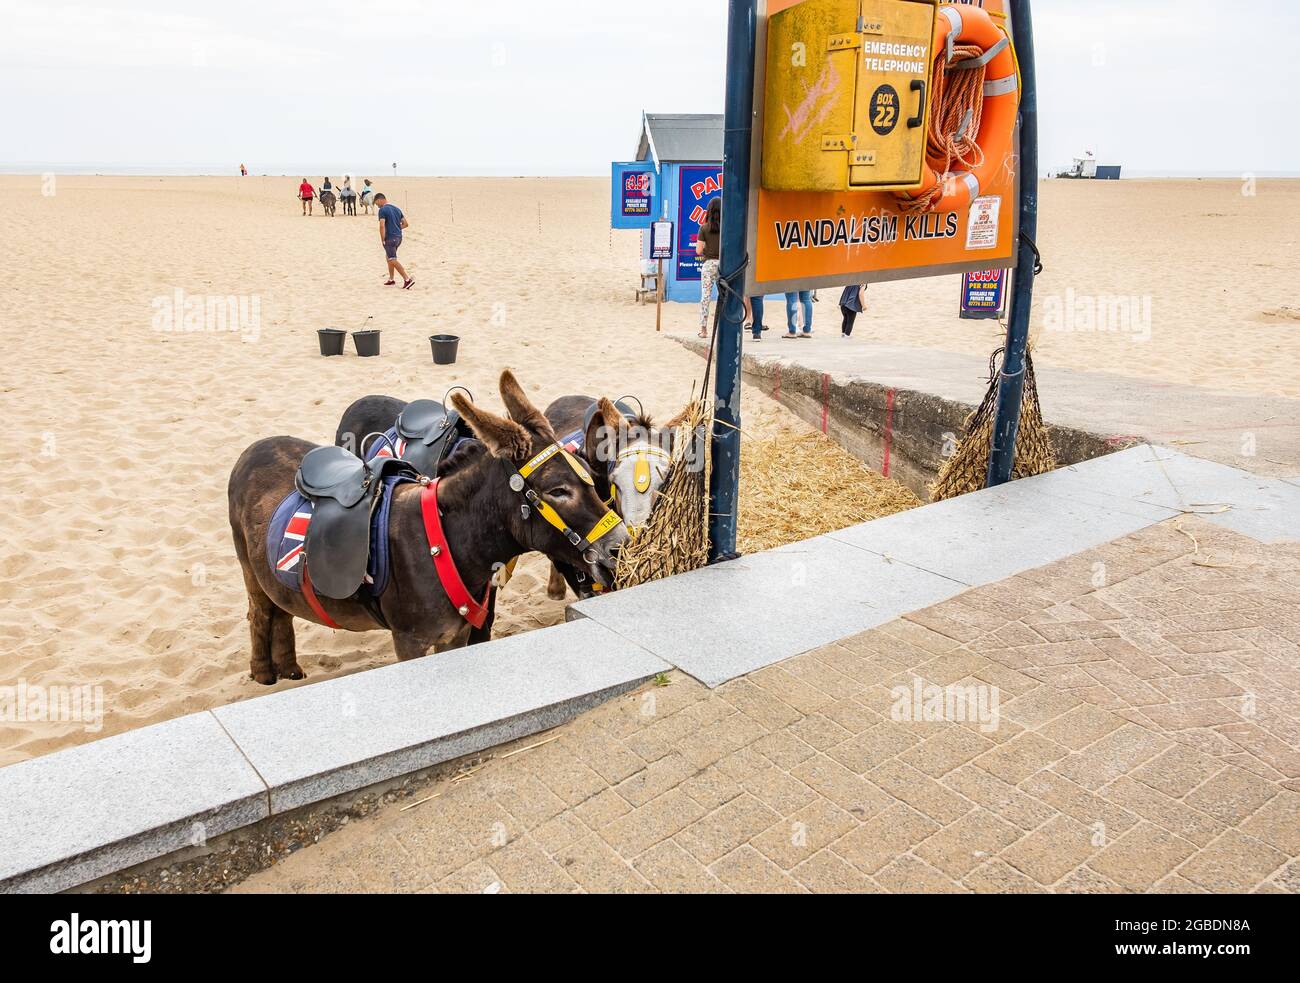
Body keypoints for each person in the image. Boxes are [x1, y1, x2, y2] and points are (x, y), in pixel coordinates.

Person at [695, 197, 721, 338]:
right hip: (724, 265)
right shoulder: (726, 227)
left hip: (709, 264)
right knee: (724, 297)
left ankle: (704, 330)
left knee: (705, 297)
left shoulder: (704, 228)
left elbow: (698, 250)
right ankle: (723, 328)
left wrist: (707, 249)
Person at [374, 193, 413, 289]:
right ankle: (391, 279)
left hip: (390, 238)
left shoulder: (382, 210)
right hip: (399, 237)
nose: (377, 206)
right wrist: (396, 228)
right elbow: (406, 224)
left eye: (377, 204)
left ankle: (407, 280)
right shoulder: (397, 209)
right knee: (388, 257)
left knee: (392, 259)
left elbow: (382, 226)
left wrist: (382, 239)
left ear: (380, 199)